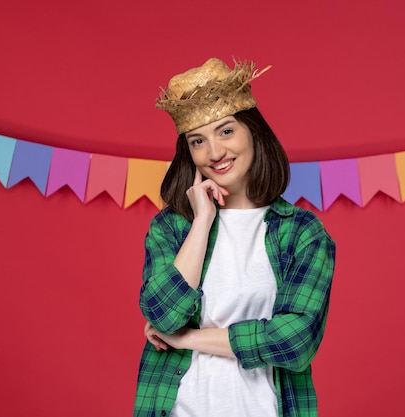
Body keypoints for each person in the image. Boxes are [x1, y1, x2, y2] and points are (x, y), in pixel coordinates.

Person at [135, 58, 336, 417]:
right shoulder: (171, 228)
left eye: (226, 131)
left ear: (253, 133)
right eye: (198, 140)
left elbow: (296, 340)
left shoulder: (302, 234)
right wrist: (201, 222)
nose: (214, 153)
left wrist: (188, 339)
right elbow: (163, 315)